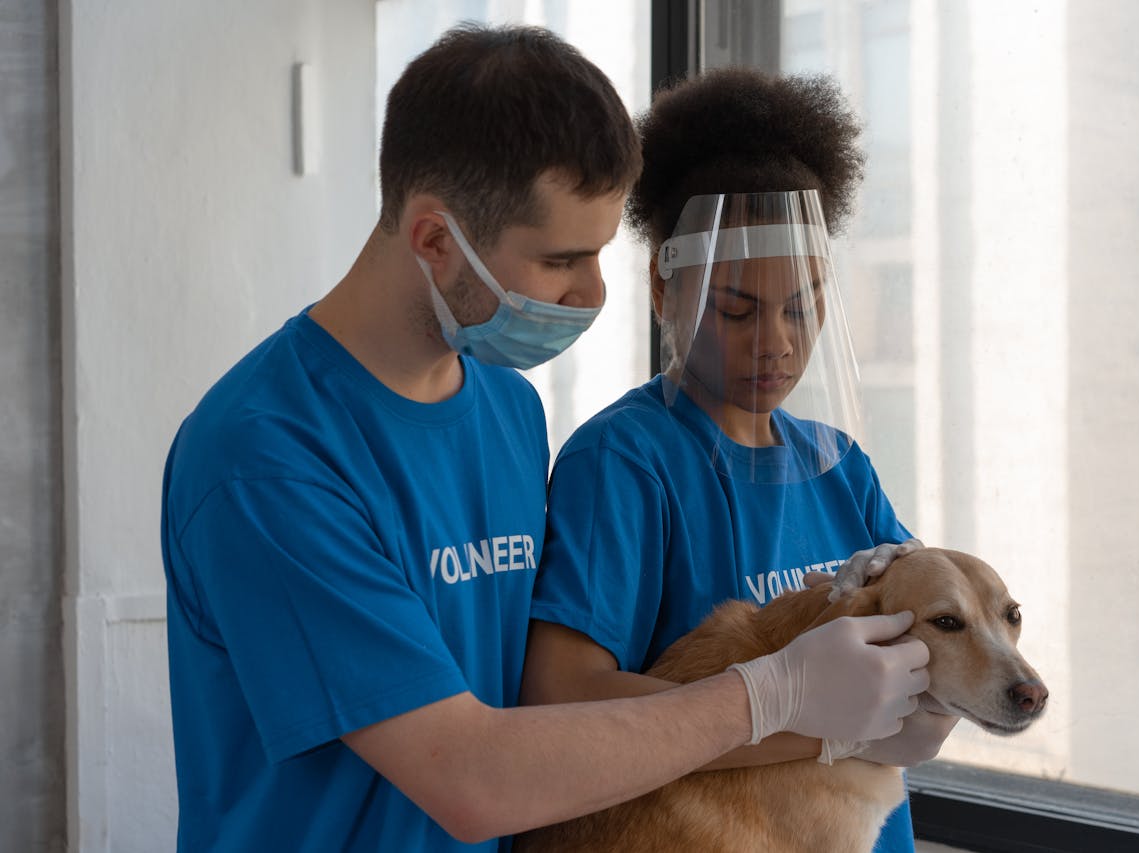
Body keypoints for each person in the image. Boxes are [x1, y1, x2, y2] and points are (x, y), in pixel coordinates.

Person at [160, 25, 932, 852]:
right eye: (563, 259)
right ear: (434, 239)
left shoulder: (507, 408)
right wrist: (775, 698)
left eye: (600, 252)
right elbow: (472, 776)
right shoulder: (266, 461)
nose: (595, 291)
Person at [521, 67, 959, 851]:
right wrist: (810, 721)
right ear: (666, 291)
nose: (778, 342)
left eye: (802, 305)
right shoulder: (626, 462)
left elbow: (934, 641)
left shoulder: (840, 466)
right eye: (737, 309)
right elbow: (563, 696)